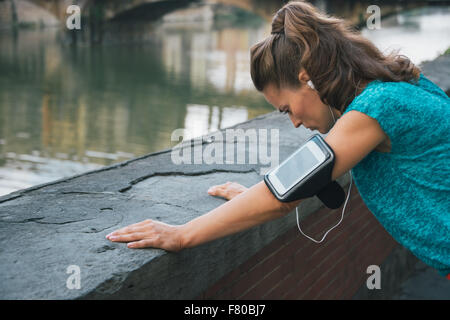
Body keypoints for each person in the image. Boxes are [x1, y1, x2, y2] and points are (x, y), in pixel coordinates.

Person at [106, 1, 450, 279]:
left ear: (308, 79)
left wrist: (182, 235)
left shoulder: (377, 108)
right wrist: (251, 201)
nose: (295, 122)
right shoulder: (402, 88)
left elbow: (282, 197)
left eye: (286, 109)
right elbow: (287, 188)